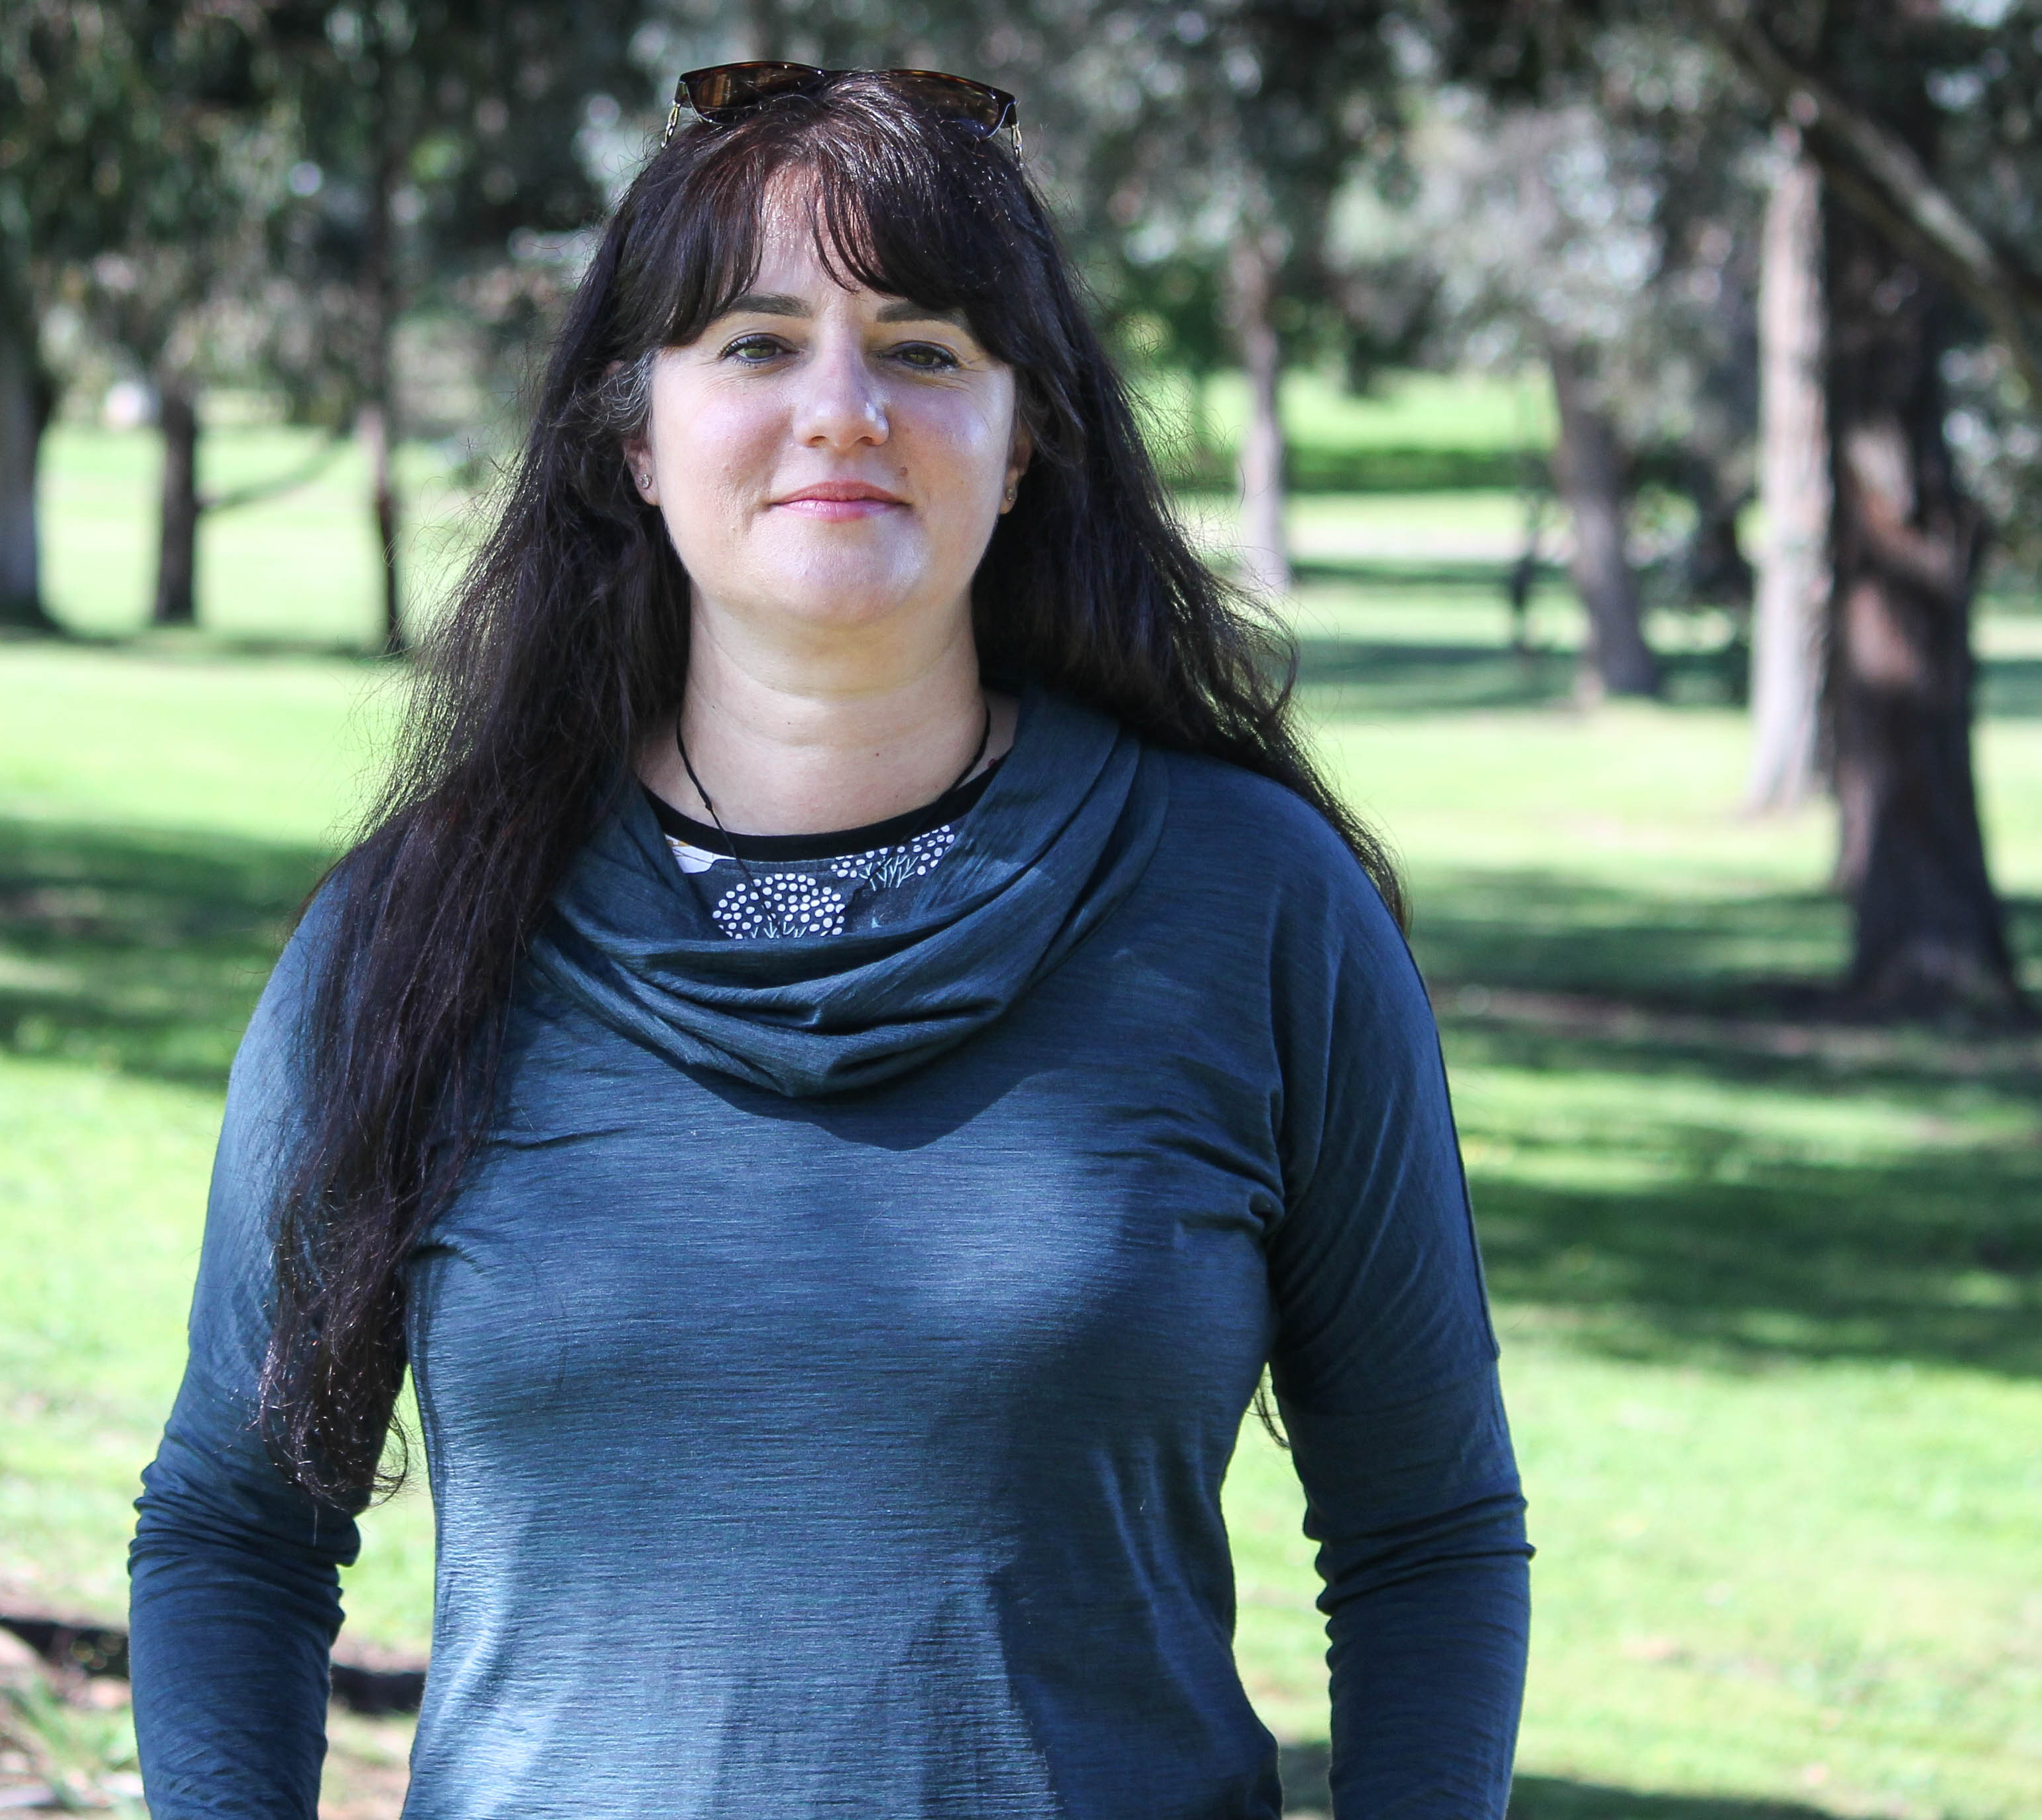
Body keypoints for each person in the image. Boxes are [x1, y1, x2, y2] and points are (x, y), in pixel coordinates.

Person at [128, 63, 1530, 1820]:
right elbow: (235, 1526)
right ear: (631, 432)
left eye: (925, 347)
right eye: (754, 341)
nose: (842, 407)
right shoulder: (416, 931)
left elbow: (1425, 1532)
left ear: (1024, 441)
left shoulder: (1252, 905)